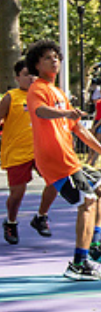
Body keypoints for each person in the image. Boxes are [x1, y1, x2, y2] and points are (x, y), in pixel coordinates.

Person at [24, 40, 101, 280]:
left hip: (70, 159)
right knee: (88, 199)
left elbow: (79, 129)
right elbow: (40, 112)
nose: (54, 60)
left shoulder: (59, 92)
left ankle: (93, 243)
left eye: (56, 56)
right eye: (48, 57)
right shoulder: (37, 89)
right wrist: (66, 112)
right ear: (37, 65)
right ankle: (79, 263)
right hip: (54, 160)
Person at [1, 59, 58, 244]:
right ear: (17, 78)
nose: (31, 78)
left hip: (42, 150)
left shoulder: (44, 95)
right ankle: (11, 222)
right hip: (17, 152)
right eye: (26, 75)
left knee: (56, 181)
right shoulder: (11, 97)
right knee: (17, 194)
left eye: (34, 74)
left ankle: (41, 216)